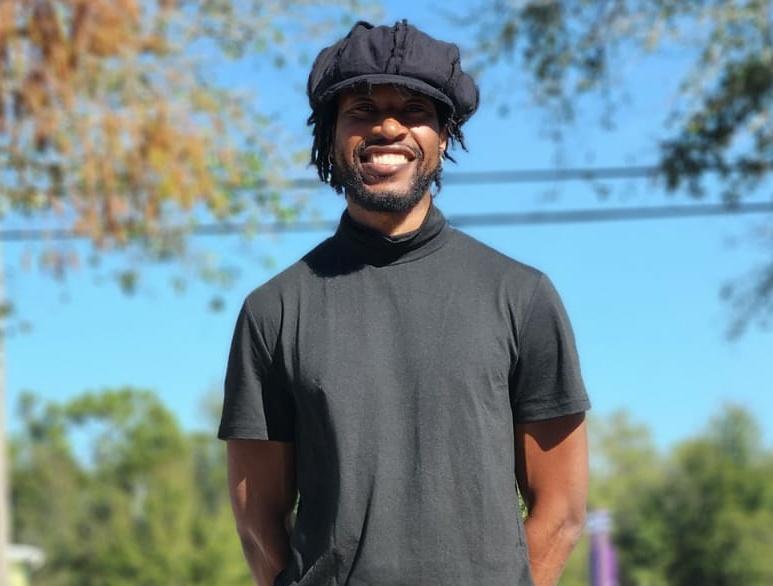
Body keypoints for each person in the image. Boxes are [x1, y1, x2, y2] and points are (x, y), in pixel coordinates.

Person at [219, 20, 590, 586]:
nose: (388, 127)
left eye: (415, 110)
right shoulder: (274, 311)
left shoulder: (521, 296)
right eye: (362, 110)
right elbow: (257, 521)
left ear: (443, 137)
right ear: (330, 135)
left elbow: (560, 514)